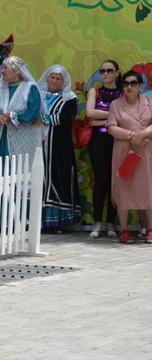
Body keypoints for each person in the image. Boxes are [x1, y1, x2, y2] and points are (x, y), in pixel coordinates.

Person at [106, 70, 152, 243]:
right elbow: (111, 127)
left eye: (133, 83)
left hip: (146, 152)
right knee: (124, 189)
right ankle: (124, 230)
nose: (129, 87)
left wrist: (143, 134)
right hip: (125, 152)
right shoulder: (116, 104)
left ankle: (150, 228)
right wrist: (134, 135)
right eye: (126, 84)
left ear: (140, 86)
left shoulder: (150, 103)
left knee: (149, 189)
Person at [37, 64, 81, 231]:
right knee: (40, 178)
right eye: (52, 77)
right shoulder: (38, 95)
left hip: (59, 145)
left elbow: (67, 118)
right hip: (39, 143)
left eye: (58, 78)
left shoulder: (69, 98)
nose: (54, 81)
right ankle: (38, 220)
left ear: (63, 81)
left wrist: (45, 119)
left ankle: (57, 221)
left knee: (58, 177)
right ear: (47, 78)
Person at [85, 59, 123, 238]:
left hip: (119, 140)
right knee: (102, 180)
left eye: (109, 70)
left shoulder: (124, 92)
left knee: (116, 182)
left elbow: (127, 118)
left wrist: (102, 119)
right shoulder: (95, 91)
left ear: (117, 72)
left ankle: (111, 224)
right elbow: (90, 113)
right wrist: (115, 114)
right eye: (102, 71)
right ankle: (97, 223)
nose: (105, 74)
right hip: (99, 141)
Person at [0, 56, 44, 166]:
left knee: (21, 170)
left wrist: (12, 116)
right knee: (1, 171)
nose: (2, 71)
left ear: (17, 70)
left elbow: (34, 112)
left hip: (24, 138)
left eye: (5, 68)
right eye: (2, 68)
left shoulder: (29, 88)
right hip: (1, 138)